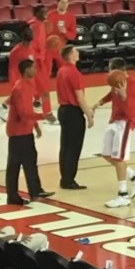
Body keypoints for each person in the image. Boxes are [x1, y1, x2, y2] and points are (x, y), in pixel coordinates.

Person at [92, 64, 135, 208]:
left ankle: (123, 195)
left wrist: (124, 96)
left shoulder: (133, 85)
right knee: (106, 154)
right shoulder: (117, 81)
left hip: (125, 123)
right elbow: (111, 93)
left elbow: (131, 109)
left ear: (118, 70)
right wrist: (100, 102)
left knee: (118, 158)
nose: (108, 72)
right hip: (113, 121)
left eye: (110, 69)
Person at [2, 57, 48, 205]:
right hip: (18, 132)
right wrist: (43, 116)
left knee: (30, 160)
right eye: (34, 67)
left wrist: (36, 126)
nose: (36, 70)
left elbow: (30, 109)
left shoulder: (29, 85)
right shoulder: (20, 88)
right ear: (26, 70)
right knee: (15, 165)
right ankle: (13, 196)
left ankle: (35, 190)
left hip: (25, 130)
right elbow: (23, 114)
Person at [53, 43, 89, 189]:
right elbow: (79, 98)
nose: (78, 52)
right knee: (74, 147)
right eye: (75, 51)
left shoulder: (61, 70)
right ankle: (69, 180)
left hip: (63, 110)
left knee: (65, 146)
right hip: (73, 112)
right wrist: (89, 114)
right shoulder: (73, 72)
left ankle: (65, 178)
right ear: (70, 55)